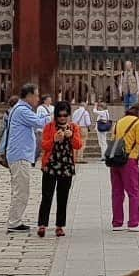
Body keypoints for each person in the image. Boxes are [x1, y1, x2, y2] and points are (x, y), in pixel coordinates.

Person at [4, 83, 52, 234]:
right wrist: (54, 117)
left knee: (19, 188)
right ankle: (14, 222)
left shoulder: (20, 109)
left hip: (18, 154)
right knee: (21, 189)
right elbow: (40, 122)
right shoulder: (22, 110)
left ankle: (15, 219)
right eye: (36, 95)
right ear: (29, 95)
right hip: (20, 155)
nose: (38, 98)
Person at [38, 101, 81, 237]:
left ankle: (60, 225)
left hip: (66, 166)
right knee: (47, 196)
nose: (62, 118)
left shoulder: (73, 127)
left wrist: (71, 136)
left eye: (65, 115)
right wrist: (54, 139)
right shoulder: (49, 127)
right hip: (51, 165)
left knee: (63, 197)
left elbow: (78, 145)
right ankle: (42, 224)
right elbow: (44, 145)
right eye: (59, 115)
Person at [110, 103, 139, 232]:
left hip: (115, 159)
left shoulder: (118, 122)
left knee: (117, 192)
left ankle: (117, 222)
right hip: (129, 160)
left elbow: (113, 139)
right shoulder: (138, 122)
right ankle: (133, 222)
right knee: (133, 192)